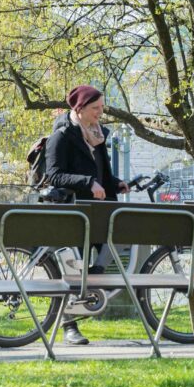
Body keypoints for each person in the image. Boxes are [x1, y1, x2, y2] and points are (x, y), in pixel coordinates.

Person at [43, 85, 129, 345]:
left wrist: (115, 183)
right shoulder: (61, 136)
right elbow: (54, 175)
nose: (100, 114)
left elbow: (102, 172)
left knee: (108, 253)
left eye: (101, 108)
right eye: (95, 109)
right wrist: (88, 182)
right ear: (79, 109)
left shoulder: (98, 134)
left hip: (98, 211)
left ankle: (89, 287)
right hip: (73, 212)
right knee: (71, 270)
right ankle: (69, 326)